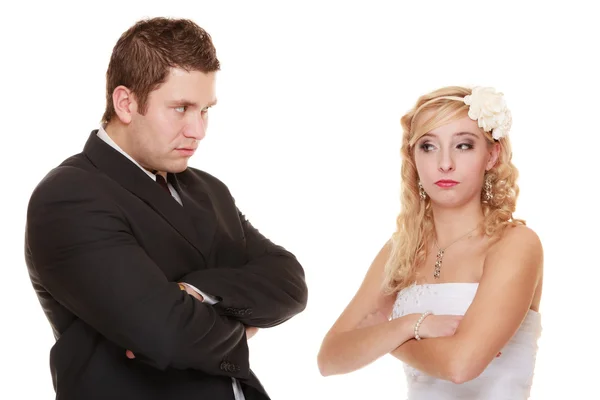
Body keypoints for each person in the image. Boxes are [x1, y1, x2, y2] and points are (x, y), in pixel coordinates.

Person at [25, 17, 308, 400]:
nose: (198, 130)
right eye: (181, 108)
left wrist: (195, 292)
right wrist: (240, 329)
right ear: (126, 103)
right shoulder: (69, 196)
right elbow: (166, 333)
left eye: (205, 110)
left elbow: (289, 283)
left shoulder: (209, 189)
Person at [317, 86, 543, 399]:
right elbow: (330, 357)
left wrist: (383, 340)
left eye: (463, 145)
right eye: (428, 146)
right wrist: (409, 325)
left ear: (492, 155)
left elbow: (460, 366)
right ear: (413, 157)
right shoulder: (401, 249)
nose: (445, 163)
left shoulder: (515, 244)